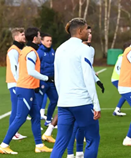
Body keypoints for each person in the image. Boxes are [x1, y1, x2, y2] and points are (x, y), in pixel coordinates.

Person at [51, 18, 101, 158]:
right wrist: (96, 104)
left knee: (60, 142)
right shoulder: (84, 49)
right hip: (82, 102)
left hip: (64, 103)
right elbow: (88, 78)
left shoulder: (60, 49)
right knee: (93, 139)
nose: (88, 32)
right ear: (80, 31)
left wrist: (63, 98)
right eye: (86, 30)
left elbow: (57, 77)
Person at [0, 27, 53, 154]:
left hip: (28, 88)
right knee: (20, 117)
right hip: (25, 89)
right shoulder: (30, 52)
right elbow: (31, 71)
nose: (41, 38)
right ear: (35, 38)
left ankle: (39, 145)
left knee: (35, 116)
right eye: (40, 36)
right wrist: (48, 78)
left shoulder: (26, 50)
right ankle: (4, 145)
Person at [66, 25, 104, 158]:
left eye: (91, 32)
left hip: (86, 91)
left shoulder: (90, 49)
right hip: (76, 92)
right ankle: (70, 154)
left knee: (83, 126)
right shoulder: (74, 49)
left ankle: (80, 152)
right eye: (88, 31)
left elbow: (89, 69)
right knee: (75, 126)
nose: (90, 34)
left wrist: (97, 81)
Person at [5, 28, 27, 140]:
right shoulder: (13, 50)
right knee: (15, 109)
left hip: (18, 83)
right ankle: (12, 133)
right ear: (16, 37)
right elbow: (14, 68)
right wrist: (19, 83)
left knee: (18, 109)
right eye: (22, 34)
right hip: (15, 83)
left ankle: (15, 132)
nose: (24, 36)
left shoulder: (19, 49)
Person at [35, 33, 58, 126]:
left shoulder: (53, 51)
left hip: (51, 82)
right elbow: (35, 68)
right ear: (42, 41)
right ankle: (36, 124)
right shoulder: (39, 52)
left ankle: (48, 120)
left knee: (55, 100)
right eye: (47, 41)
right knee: (38, 104)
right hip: (42, 82)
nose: (49, 42)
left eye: (50, 41)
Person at [112, 42, 131, 116]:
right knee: (126, 93)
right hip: (117, 79)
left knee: (126, 93)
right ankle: (117, 110)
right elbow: (118, 69)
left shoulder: (124, 57)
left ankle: (117, 110)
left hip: (119, 79)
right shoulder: (122, 58)